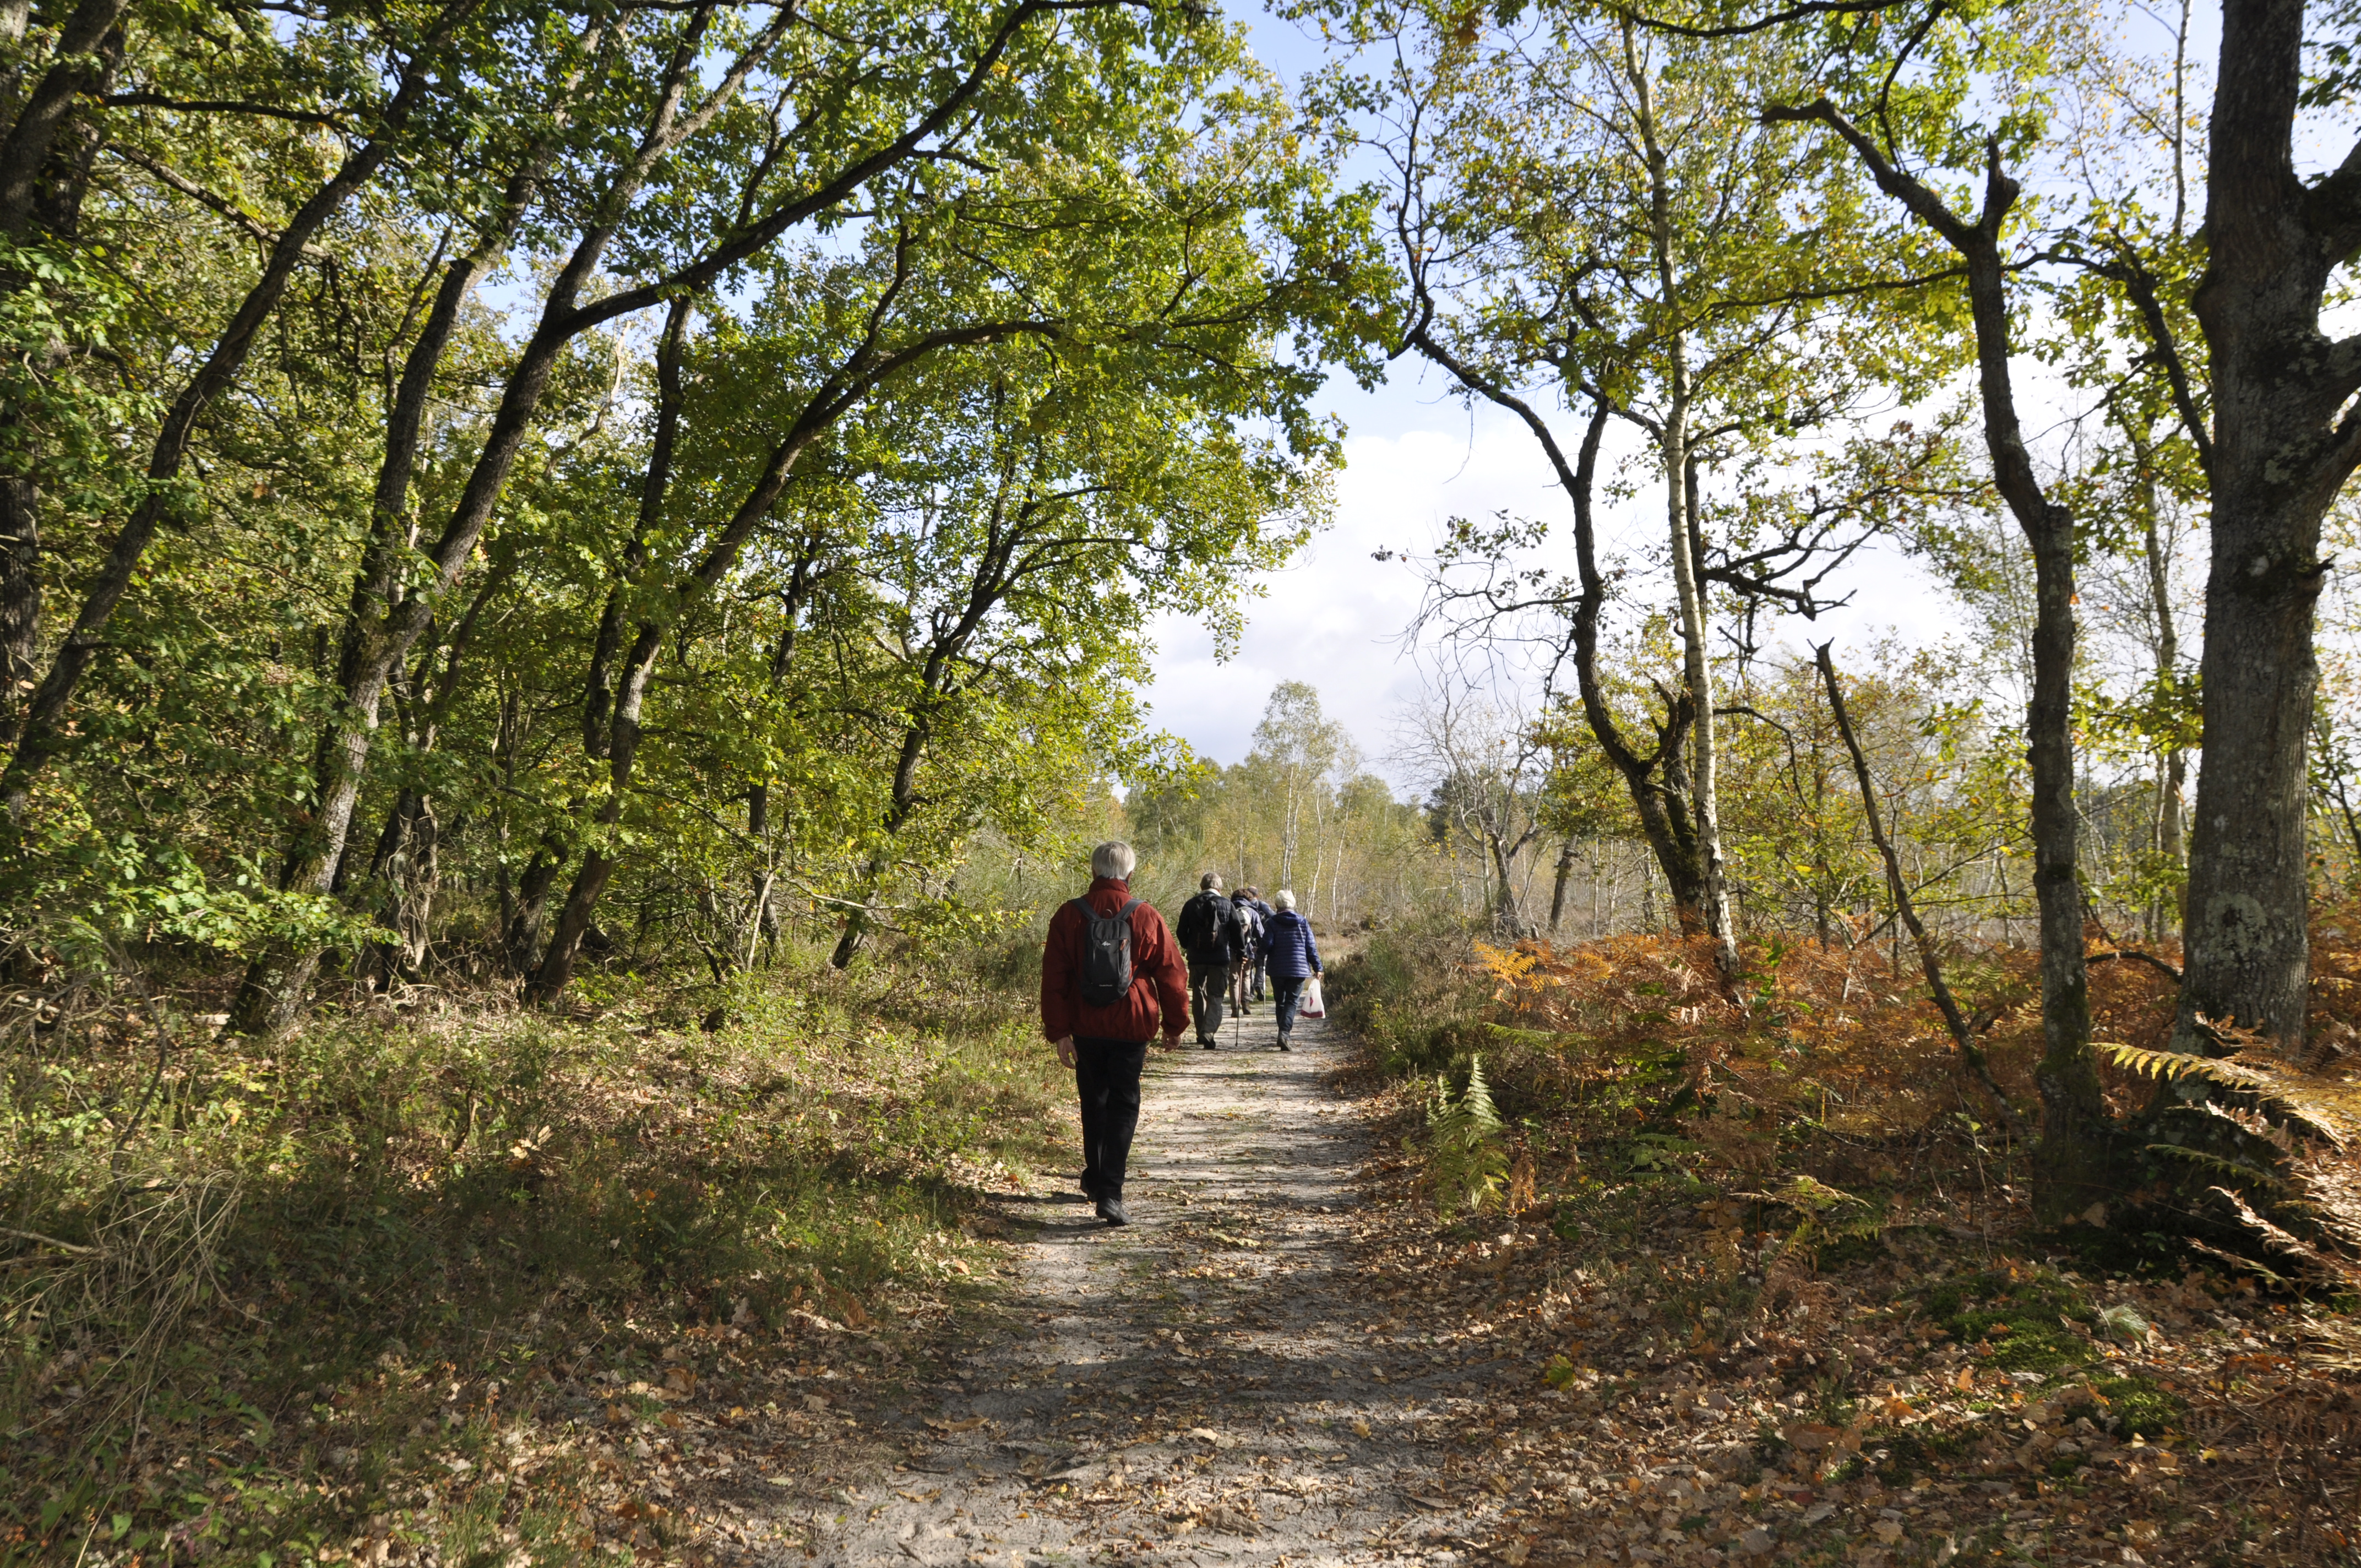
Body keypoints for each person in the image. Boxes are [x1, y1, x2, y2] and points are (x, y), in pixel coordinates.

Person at [1040, 841, 1188, 1224]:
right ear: (1130, 874)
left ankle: (1097, 1178)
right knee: (1124, 1104)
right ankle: (1110, 1190)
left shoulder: (1068, 916)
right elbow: (1172, 975)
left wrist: (1060, 1033)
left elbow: (1053, 980)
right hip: (1132, 1024)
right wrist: (1175, 1025)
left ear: (1093, 872)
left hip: (1085, 1025)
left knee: (1094, 1102)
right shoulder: (1145, 915)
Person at [1175, 872, 1244, 1049]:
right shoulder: (1227, 905)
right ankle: (1208, 1032)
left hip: (1197, 959)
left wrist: (1189, 946)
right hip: (1219, 958)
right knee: (1216, 997)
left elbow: (1181, 931)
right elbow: (1237, 931)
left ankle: (1201, 1032)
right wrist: (1240, 952)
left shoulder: (1191, 904)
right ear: (1219, 888)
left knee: (1198, 995)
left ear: (1201, 887)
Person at [1261, 889, 1322, 1052]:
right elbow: (1311, 947)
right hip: (1299, 969)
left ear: (1277, 905)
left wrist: (1258, 956)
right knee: (1291, 1002)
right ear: (1293, 904)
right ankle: (1284, 1033)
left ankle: (1283, 1033)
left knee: (1280, 1001)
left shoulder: (1272, 922)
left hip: (1278, 969)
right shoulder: (1302, 922)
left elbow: (1267, 945)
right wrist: (1318, 967)